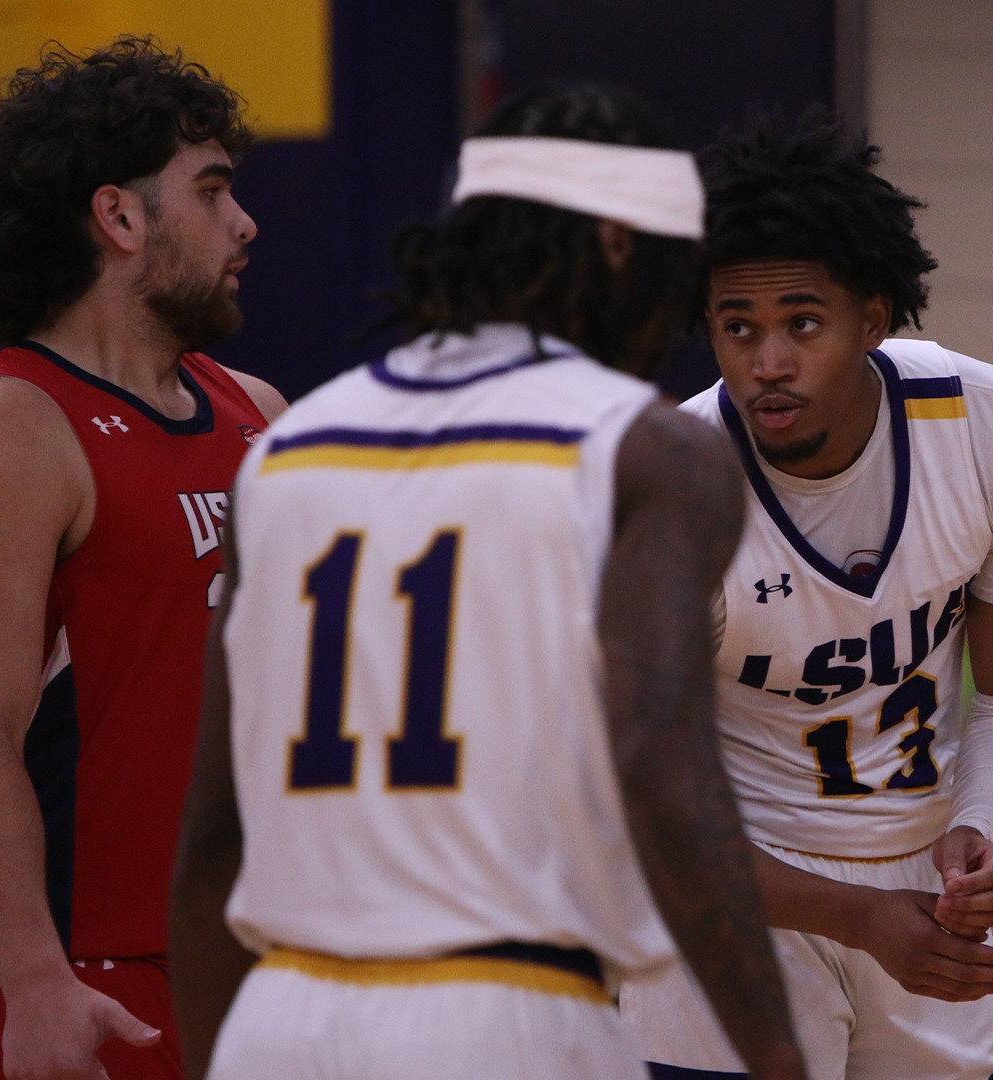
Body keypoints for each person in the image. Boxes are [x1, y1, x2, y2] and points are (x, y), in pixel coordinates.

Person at [165, 84, 808, 1080]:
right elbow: (665, 776)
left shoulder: (286, 450)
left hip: (278, 1018)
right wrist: (777, 1055)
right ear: (618, 246)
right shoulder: (651, 452)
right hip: (509, 1017)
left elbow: (212, 835)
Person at [618, 109, 993, 1080]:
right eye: (736, 327)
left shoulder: (992, 425)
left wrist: (979, 828)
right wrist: (858, 917)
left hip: (919, 892)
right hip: (736, 899)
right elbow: (653, 812)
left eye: (802, 324)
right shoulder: (671, 485)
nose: (767, 362)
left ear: (874, 318)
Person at [0, 37, 286, 1080]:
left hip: (265, 965)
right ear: (119, 217)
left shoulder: (260, 413)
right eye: (212, 191)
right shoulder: (22, 425)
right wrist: (31, 980)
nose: (245, 222)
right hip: (93, 981)